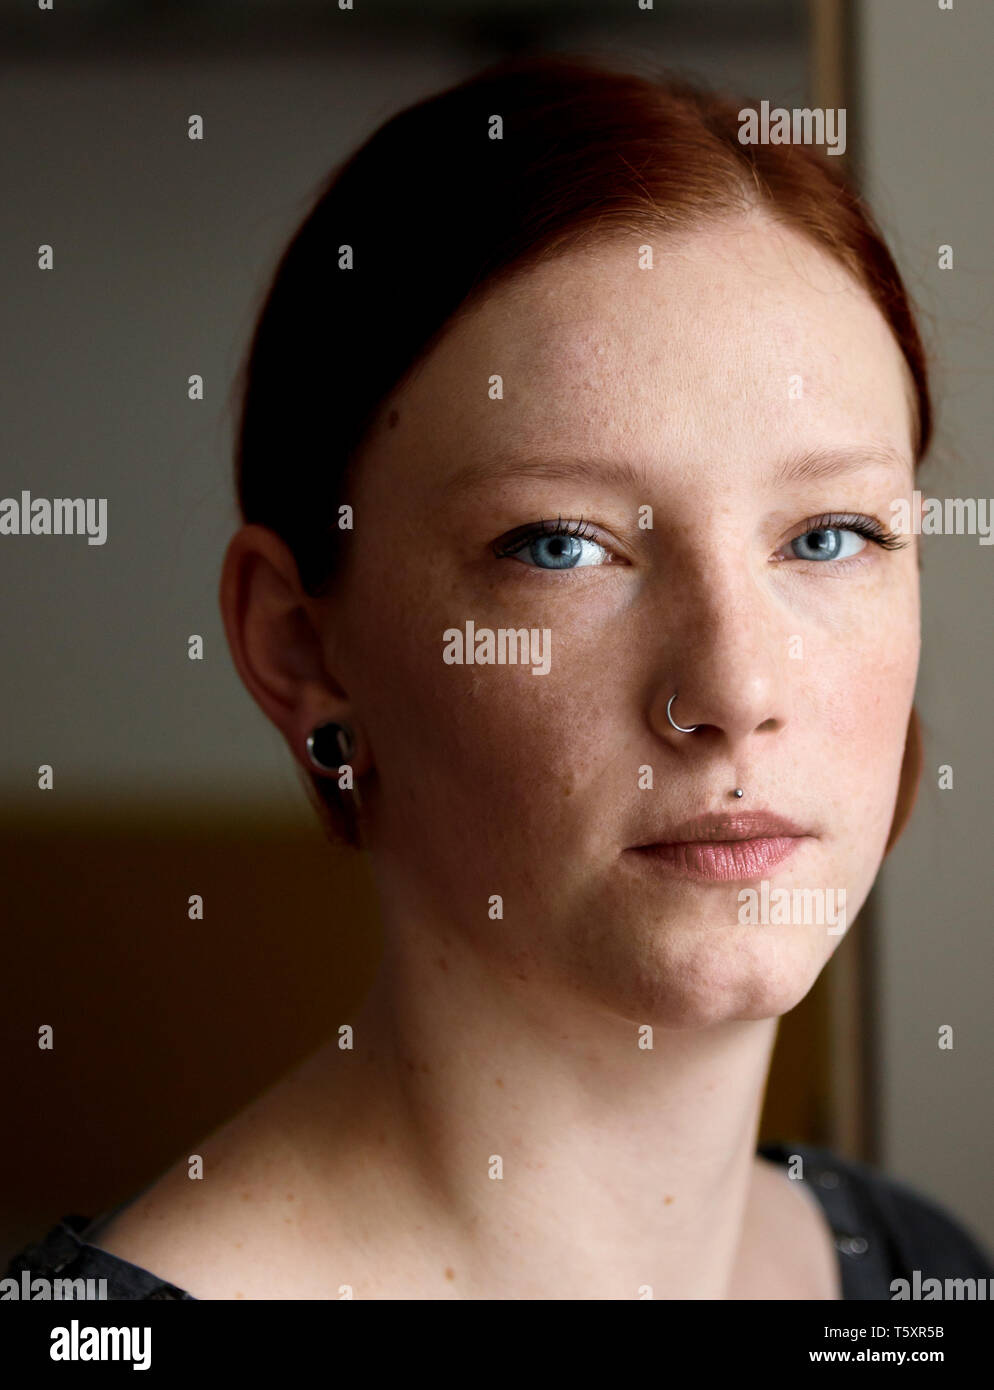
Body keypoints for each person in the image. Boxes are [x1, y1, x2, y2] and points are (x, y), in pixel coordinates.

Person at [8, 52, 993, 1301]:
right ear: (301, 649)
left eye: (828, 535)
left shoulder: (921, 1276)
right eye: (561, 546)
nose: (736, 688)